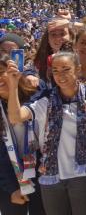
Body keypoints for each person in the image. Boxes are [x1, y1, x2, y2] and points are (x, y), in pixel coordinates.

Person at [7, 51, 86, 215]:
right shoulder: (46, 99)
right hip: (51, 175)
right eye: (55, 70)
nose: (60, 75)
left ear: (77, 69)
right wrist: (13, 85)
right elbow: (15, 116)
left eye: (65, 69)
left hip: (84, 173)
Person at [0, 56, 45, 215]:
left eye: (1, 72)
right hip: (9, 179)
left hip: (42, 176)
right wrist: (12, 188)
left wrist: (28, 75)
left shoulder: (37, 92)